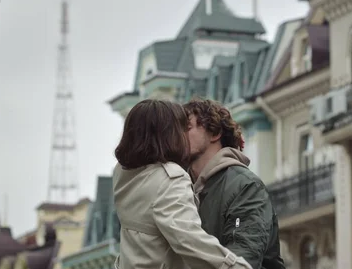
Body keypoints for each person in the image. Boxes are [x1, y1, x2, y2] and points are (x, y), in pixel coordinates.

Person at [112, 99, 252, 269]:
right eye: (181, 128)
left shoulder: (122, 174)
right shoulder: (170, 178)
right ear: (168, 134)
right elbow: (188, 240)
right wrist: (235, 266)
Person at [183, 98, 285, 269]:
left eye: (187, 127)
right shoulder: (180, 188)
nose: (178, 135)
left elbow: (244, 254)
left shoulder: (245, 186)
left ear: (215, 133)